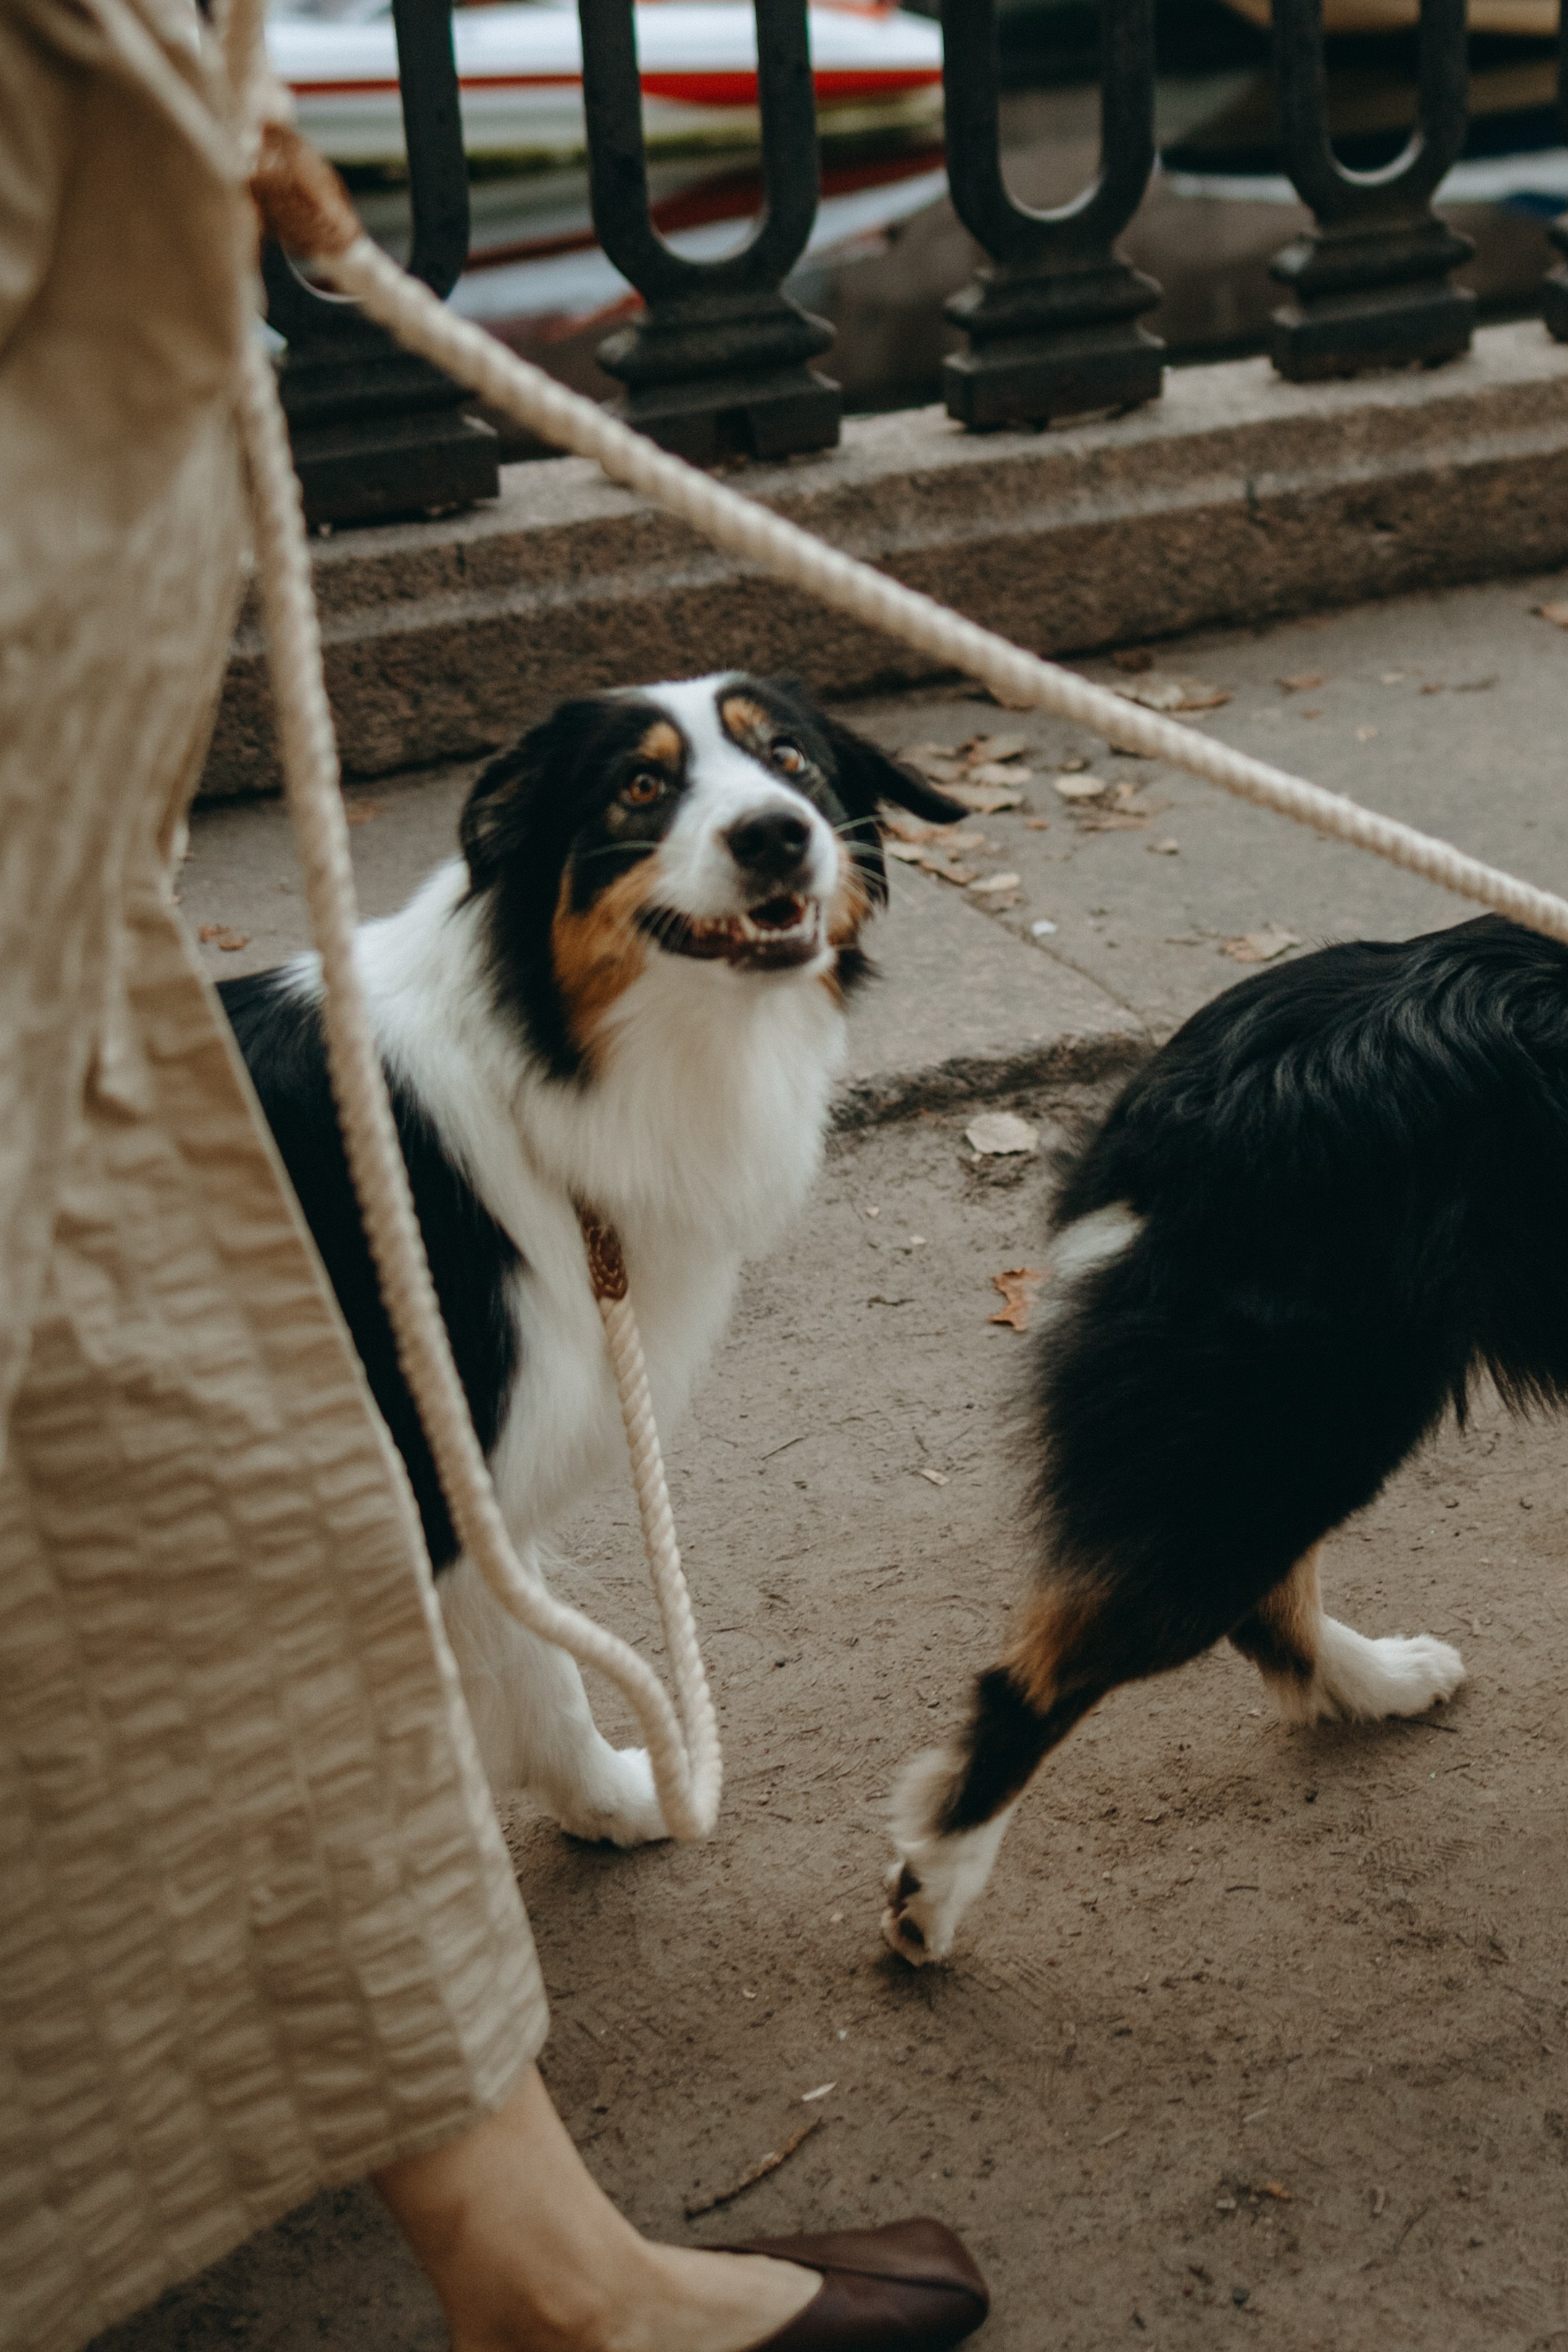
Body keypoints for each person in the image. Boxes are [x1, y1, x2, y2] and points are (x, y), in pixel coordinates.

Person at [0, 4, 987, 2347]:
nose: (760, 822)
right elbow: (443, 1556)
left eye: (781, 796)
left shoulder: (633, 1133)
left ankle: (523, 2246)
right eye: (658, 805)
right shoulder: (423, 1103)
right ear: (530, 889)